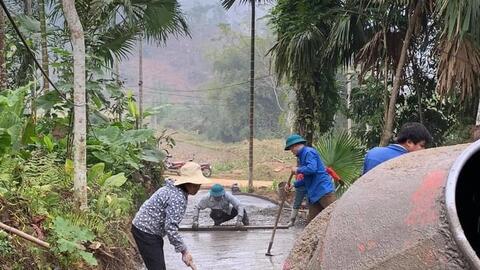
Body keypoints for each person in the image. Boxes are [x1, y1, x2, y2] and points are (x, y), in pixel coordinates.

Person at [131, 162, 211, 270]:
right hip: (146, 231)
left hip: (150, 231)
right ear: (188, 183)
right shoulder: (178, 198)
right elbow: (170, 228)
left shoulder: (175, 189)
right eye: (196, 184)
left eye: (199, 184)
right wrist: (184, 251)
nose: (198, 187)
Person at [284, 134, 336, 224]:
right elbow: (307, 178)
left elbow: (312, 169)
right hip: (314, 194)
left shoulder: (308, 152)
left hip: (323, 191)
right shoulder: (302, 156)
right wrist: (293, 184)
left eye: (291, 149)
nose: (292, 152)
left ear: (295, 146)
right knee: (311, 224)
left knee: (336, 217)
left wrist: (297, 170)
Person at [363, 122, 433, 174]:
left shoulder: (373, 153)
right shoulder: (409, 162)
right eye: (422, 145)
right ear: (409, 142)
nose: (424, 150)